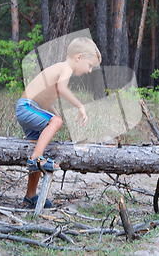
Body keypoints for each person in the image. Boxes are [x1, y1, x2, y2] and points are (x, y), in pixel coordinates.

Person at [15, 37, 101, 208]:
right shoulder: (65, 68)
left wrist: (54, 113)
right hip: (26, 107)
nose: (90, 70)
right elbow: (62, 90)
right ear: (79, 57)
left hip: (30, 107)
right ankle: (36, 159)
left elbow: (44, 97)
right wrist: (80, 106)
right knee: (56, 123)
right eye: (89, 65)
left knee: (41, 144)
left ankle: (30, 196)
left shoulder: (59, 69)